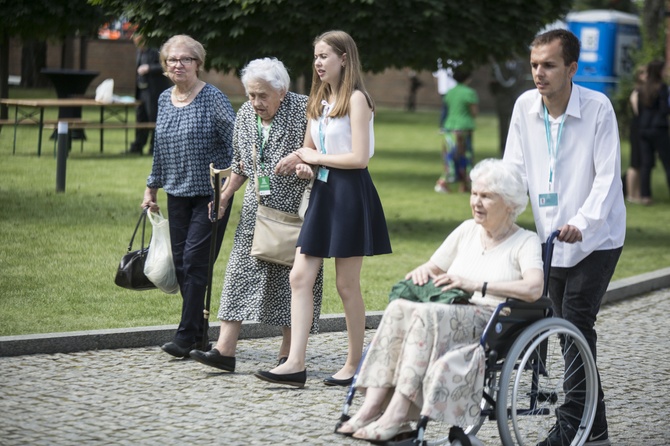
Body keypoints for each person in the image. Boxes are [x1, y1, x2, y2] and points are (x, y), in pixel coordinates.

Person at [335, 158, 544, 442]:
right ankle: (370, 407)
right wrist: (422, 272)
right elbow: (433, 267)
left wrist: (476, 285)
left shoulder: (525, 241)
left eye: (486, 196)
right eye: (474, 194)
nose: (476, 202)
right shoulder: (467, 230)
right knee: (398, 308)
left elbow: (534, 288)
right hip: (446, 311)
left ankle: (397, 414)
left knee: (427, 315)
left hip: (489, 320)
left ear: (509, 203)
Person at [503, 29, 626, 446]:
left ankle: (574, 422)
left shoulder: (597, 108)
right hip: (548, 236)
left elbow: (607, 179)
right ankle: (596, 429)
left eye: (549, 65)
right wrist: (500, 208)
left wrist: (584, 223)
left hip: (598, 237)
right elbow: (514, 170)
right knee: (564, 327)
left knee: (575, 321)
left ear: (572, 69)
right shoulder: (524, 107)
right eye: (535, 65)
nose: (539, 73)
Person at [254, 30, 392, 388]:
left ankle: (354, 363)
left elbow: (359, 158)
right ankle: (295, 363)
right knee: (299, 276)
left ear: (344, 59)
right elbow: (309, 153)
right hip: (323, 191)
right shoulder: (319, 102)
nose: (317, 63)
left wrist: (315, 157)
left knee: (347, 285)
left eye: (324, 56)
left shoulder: (358, 100)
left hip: (349, 194)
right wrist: (300, 162)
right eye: (315, 57)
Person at [188, 58, 324, 372]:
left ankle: (288, 355)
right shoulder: (246, 114)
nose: (256, 102)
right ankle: (225, 349)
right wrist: (223, 197)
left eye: (262, 95)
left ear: (282, 91)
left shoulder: (305, 109)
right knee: (238, 272)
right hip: (255, 210)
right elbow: (240, 164)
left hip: (294, 211)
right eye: (251, 94)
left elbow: (322, 151)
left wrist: (308, 165)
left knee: (291, 280)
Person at [141, 35, 236, 359]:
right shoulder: (165, 99)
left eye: (185, 59)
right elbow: (160, 149)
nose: (177, 65)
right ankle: (197, 334)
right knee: (182, 264)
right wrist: (151, 187)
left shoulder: (213, 98)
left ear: (198, 63)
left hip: (210, 195)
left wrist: (225, 189)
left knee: (196, 262)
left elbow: (237, 144)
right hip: (176, 192)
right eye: (171, 60)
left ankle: (185, 337)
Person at [435, 65, 478, 194]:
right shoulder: (469, 93)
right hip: (464, 128)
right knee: (466, 156)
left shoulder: (449, 92)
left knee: (450, 156)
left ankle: (459, 184)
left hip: (449, 127)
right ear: (468, 78)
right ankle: (456, 183)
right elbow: (474, 111)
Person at [128, 33, 172, 155]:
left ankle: (153, 148)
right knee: (140, 118)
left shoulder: (155, 51)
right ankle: (138, 145)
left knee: (154, 119)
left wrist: (149, 68)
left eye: (139, 42)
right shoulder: (140, 52)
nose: (137, 45)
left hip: (154, 91)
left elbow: (166, 67)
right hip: (141, 91)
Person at [638, 60, 670, 206]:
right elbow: (664, 109)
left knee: (646, 163)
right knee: (667, 162)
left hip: (644, 128)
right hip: (658, 128)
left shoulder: (642, 87)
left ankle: (645, 195)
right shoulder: (662, 87)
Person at [626, 65, 646, 203]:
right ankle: (631, 194)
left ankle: (637, 193)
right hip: (637, 128)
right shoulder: (637, 92)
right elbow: (637, 111)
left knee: (640, 163)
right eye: (644, 73)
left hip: (642, 127)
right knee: (634, 162)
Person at [432, 58, 456, 129]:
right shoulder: (440, 60)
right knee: (446, 108)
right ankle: (444, 126)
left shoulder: (440, 60)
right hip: (448, 89)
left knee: (448, 108)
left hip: (448, 89)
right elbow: (436, 76)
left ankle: (446, 125)